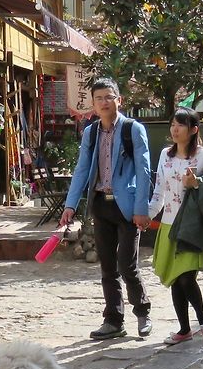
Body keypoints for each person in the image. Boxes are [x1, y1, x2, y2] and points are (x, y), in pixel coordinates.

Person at [59, 77, 153, 341]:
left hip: (128, 207)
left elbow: (143, 170)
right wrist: (70, 205)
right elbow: (81, 170)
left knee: (127, 264)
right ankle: (113, 320)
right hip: (101, 204)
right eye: (99, 98)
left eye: (109, 97)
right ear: (93, 103)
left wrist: (141, 208)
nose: (104, 102)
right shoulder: (91, 132)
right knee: (108, 267)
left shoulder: (132, 129)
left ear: (118, 100)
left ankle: (142, 311)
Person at [148, 107, 203, 345]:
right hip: (169, 223)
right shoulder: (165, 156)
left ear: (193, 129)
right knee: (176, 279)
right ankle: (184, 328)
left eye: (180, 125)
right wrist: (147, 215)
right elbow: (159, 190)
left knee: (187, 277)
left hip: (192, 225)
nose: (174, 129)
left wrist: (196, 183)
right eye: (172, 125)